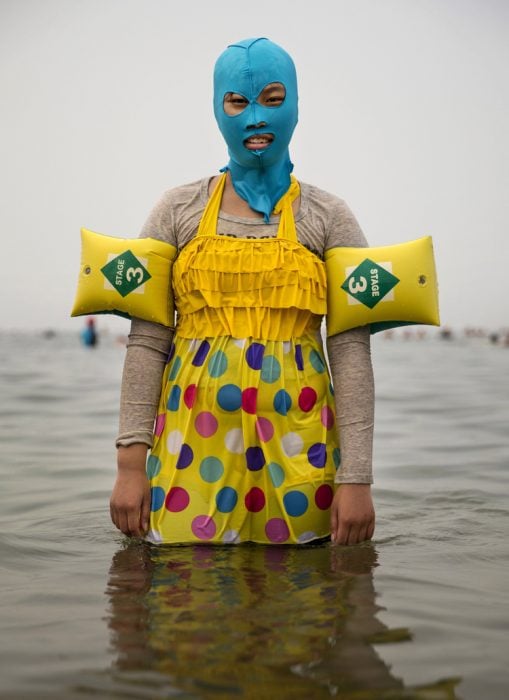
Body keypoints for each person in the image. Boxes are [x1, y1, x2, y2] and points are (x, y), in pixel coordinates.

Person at [110, 37, 375, 546]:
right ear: (218, 109)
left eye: (274, 99)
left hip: (304, 448)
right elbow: (146, 342)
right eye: (238, 101)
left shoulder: (329, 216)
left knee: (305, 602)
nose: (256, 117)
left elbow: (351, 354)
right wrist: (129, 464)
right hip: (192, 445)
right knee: (185, 599)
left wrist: (356, 477)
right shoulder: (177, 209)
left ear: (295, 105)